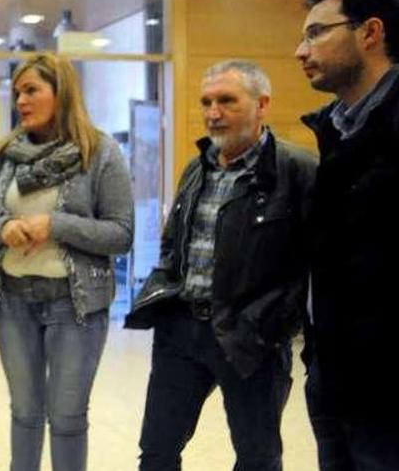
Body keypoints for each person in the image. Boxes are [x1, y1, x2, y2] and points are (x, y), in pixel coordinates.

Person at [128, 61, 315, 470]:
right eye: (207, 102)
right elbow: (173, 241)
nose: (213, 112)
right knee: (156, 451)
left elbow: (312, 262)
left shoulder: (297, 170)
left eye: (227, 101)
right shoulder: (197, 167)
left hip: (251, 336)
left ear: (262, 104)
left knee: (257, 456)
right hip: (180, 329)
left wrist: (276, 323)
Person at [0, 52, 133, 471]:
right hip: (13, 303)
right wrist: (3, 229)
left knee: (66, 418)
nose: (20, 101)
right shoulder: (6, 154)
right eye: (17, 92)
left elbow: (121, 234)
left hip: (74, 306)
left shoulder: (99, 151)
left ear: (61, 94)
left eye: (32, 91)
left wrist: (56, 224)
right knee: (24, 413)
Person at [295, 0, 399, 469]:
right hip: (335, 375)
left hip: (396, 391)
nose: (300, 50)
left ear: (370, 33)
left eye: (316, 32)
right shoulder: (337, 129)